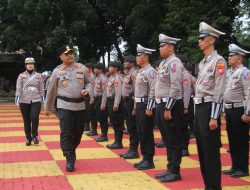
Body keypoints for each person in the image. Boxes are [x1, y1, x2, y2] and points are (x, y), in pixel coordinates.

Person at [45, 45, 90, 172]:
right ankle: (69, 158)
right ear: (61, 57)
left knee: (78, 133)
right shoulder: (57, 71)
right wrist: (48, 107)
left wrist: (88, 89)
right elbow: (51, 89)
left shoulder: (82, 68)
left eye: (71, 53)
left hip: (80, 105)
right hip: (64, 105)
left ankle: (71, 149)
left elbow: (90, 82)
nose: (70, 55)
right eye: (67, 54)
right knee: (66, 132)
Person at [194, 22, 227, 190]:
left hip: (209, 110)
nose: (199, 41)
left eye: (202, 38)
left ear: (212, 40)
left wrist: (214, 116)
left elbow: (219, 91)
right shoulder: (202, 63)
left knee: (211, 151)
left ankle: (214, 186)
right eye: (199, 38)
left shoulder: (219, 61)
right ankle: (208, 185)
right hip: (199, 109)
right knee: (202, 149)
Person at [154, 34, 184, 182]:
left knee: (174, 139)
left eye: (162, 46)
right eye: (160, 46)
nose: (160, 48)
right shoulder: (164, 63)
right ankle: (169, 168)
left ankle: (175, 171)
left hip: (170, 105)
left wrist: (168, 108)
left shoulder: (175, 63)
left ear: (171, 47)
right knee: (167, 139)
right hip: (161, 104)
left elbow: (176, 86)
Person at [222, 44, 250, 178]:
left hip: (239, 110)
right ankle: (235, 166)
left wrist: (248, 112)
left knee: (241, 140)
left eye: (232, 56)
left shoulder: (244, 72)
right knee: (232, 139)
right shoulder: (230, 72)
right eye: (229, 55)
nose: (229, 58)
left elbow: (249, 93)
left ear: (239, 58)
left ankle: (243, 168)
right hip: (229, 110)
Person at [133, 44, 156, 170]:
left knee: (146, 132)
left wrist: (150, 107)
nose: (137, 57)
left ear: (146, 57)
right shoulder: (141, 71)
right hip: (140, 104)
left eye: (139, 55)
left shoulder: (151, 71)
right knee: (141, 131)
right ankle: (145, 157)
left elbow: (153, 90)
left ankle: (149, 159)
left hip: (146, 104)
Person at [15, 57, 44, 146]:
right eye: (28, 64)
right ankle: (28, 138)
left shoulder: (38, 75)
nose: (30, 65)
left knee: (34, 117)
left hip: (36, 99)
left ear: (34, 65)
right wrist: (17, 99)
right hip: (24, 100)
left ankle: (35, 136)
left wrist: (43, 100)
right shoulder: (21, 75)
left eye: (32, 64)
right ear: (26, 65)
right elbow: (19, 88)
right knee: (26, 120)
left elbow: (41, 88)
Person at [120, 55, 140, 159]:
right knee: (129, 126)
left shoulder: (134, 73)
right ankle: (131, 149)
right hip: (126, 101)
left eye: (126, 62)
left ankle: (134, 150)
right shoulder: (128, 74)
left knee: (133, 127)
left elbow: (137, 90)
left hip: (131, 102)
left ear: (131, 63)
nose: (124, 64)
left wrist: (135, 107)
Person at [106, 61, 124, 149]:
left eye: (111, 67)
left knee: (117, 123)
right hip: (110, 101)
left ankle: (118, 142)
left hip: (115, 102)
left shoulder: (117, 78)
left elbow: (118, 92)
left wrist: (116, 104)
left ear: (116, 68)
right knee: (113, 122)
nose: (109, 68)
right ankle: (116, 141)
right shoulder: (111, 78)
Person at [177, 55, 193, 157]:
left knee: (184, 127)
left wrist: (186, 106)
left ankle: (184, 148)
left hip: (185, 102)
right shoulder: (178, 74)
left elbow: (187, 92)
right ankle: (180, 146)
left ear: (183, 63)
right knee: (178, 126)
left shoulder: (185, 75)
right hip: (179, 102)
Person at [93, 63, 109, 142]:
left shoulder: (103, 78)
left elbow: (105, 92)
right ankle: (102, 134)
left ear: (100, 70)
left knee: (103, 118)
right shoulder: (97, 78)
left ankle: (104, 135)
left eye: (96, 68)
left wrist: (103, 104)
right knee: (99, 117)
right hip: (97, 99)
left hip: (101, 99)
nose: (94, 70)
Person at [85, 63, 98, 136]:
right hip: (87, 96)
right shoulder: (87, 76)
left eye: (86, 68)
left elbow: (92, 88)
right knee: (87, 113)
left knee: (92, 114)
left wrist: (92, 99)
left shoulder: (92, 76)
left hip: (91, 97)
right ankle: (88, 126)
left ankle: (94, 130)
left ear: (90, 69)